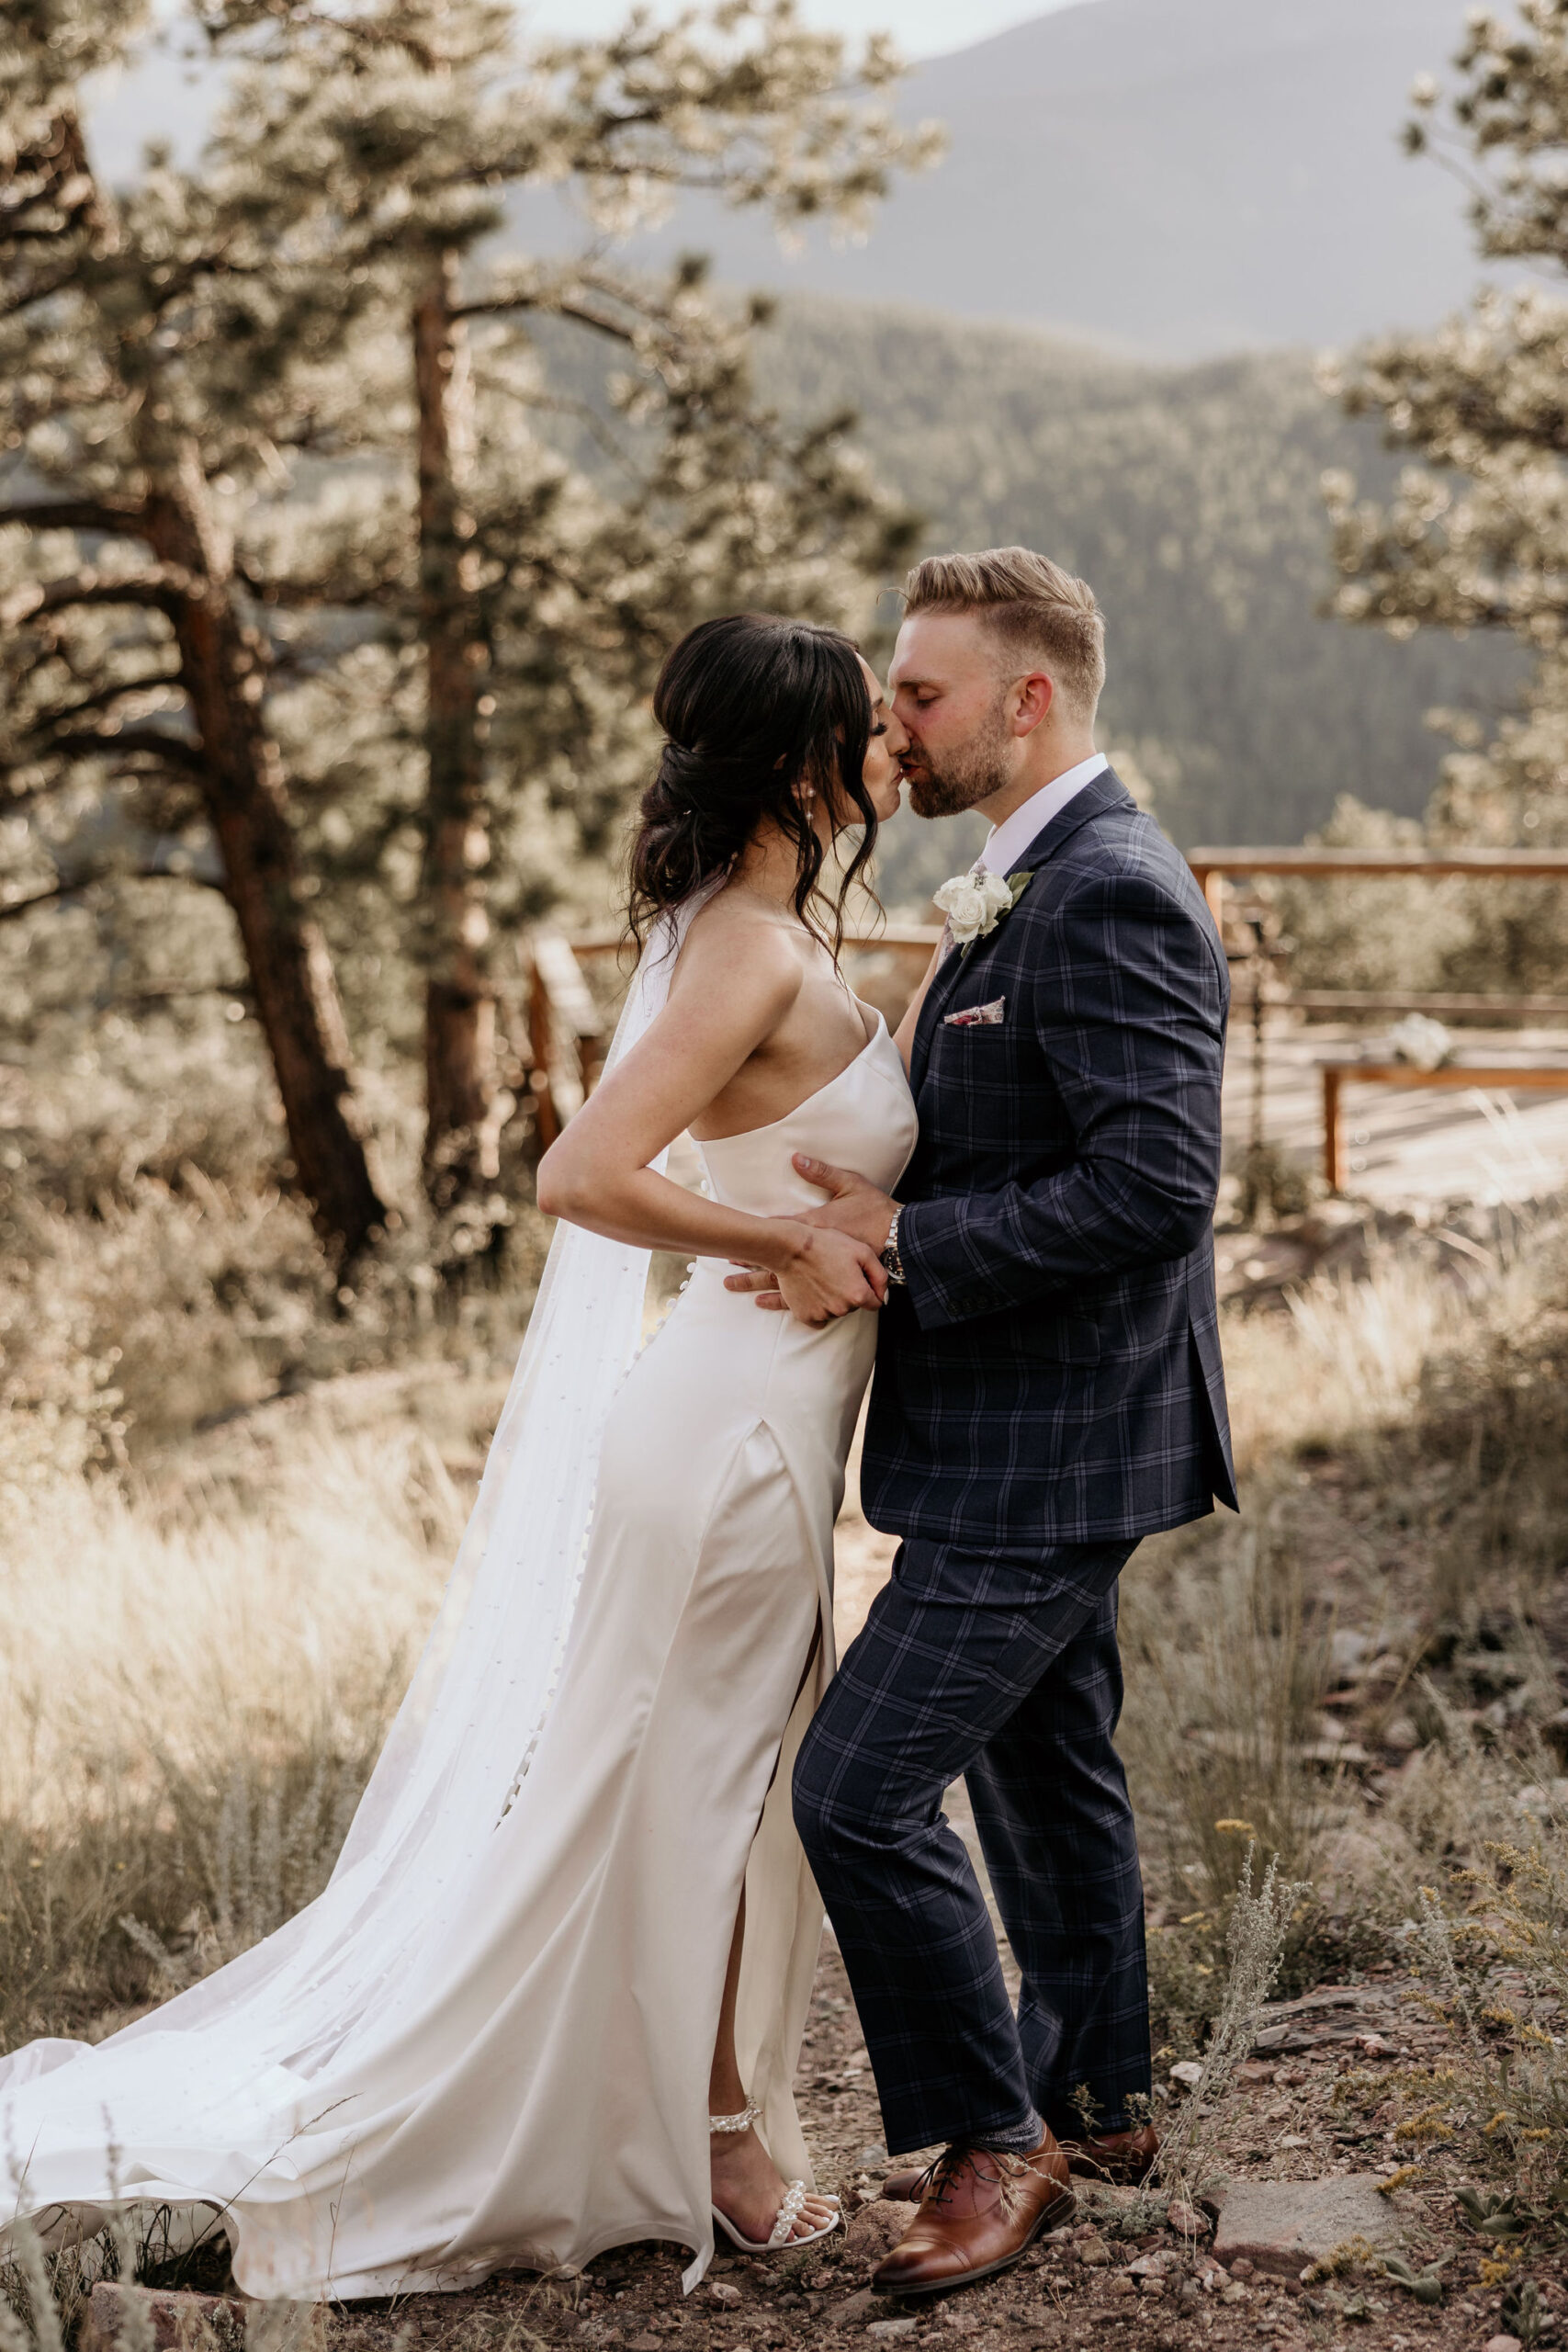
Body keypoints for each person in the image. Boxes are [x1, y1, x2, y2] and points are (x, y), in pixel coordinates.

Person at [0, 614, 917, 2296]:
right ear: (799, 762)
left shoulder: (767, 932)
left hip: (755, 1424)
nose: (895, 748)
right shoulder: (746, 952)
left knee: (701, 1780)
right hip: (723, 1439)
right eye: (870, 724)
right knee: (693, 1789)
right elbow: (582, 1175)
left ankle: (681, 2118)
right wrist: (773, 1246)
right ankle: (694, 2142)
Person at [728, 548, 1237, 2301]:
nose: (895, 723)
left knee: (858, 1791)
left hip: (1056, 1443)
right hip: (1013, 1432)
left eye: (922, 694)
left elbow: (1158, 1185)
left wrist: (902, 1244)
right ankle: (1095, 2100)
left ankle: (992, 2144)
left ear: (1030, 698)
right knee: (1047, 1762)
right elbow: (1039, 1131)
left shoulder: (1110, 888)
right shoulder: (1018, 878)